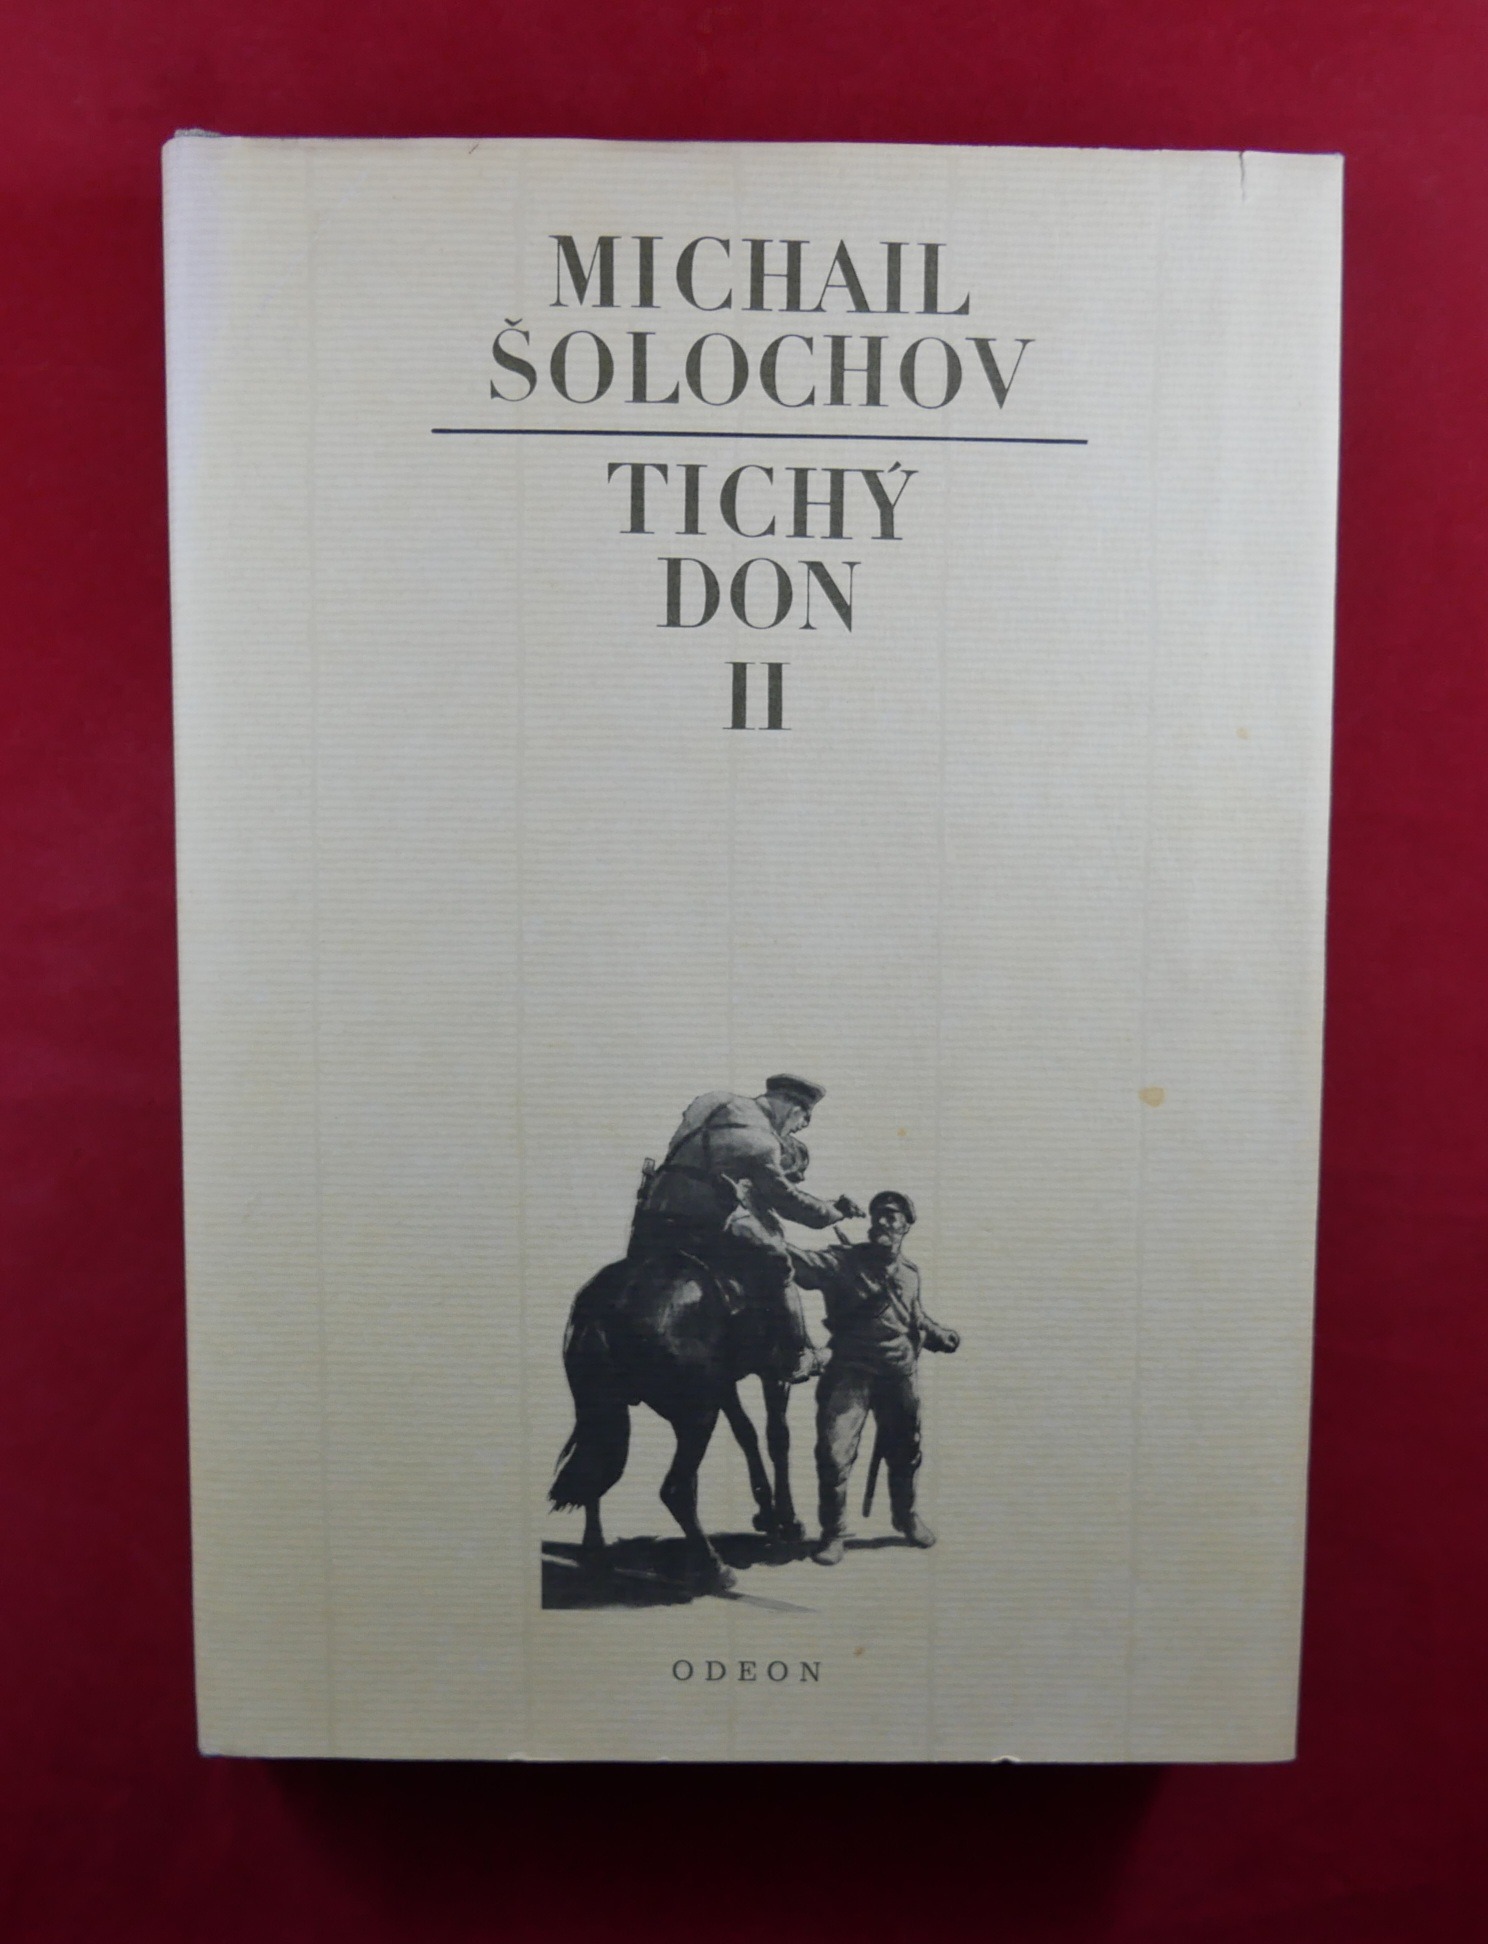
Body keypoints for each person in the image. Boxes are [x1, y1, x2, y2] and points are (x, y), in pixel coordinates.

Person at [629, 1076, 864, 1383]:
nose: (793, 1131)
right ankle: (796, 1355)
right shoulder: (761, 1140)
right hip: (701, 1218)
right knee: (777, 1259)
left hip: (654, 1210)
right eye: (798, 1124)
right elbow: (785, 1199)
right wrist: (833, 1211)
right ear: (794, 1110)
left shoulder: (712, 1100)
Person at [790, 1190, 960, 1564]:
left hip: (898, 1374)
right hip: (849, 1373)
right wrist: (762, 1234)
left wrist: (938, 1334)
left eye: (891, 1216)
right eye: (877, 1214)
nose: (882, 1221)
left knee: (906, 1452)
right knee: (834, 1456)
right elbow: (797, 1263)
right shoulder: (842, 1261)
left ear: (906, 1226)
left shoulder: (910, 1273)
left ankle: (906, 1517)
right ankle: (833, 1533)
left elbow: (913, 1318)